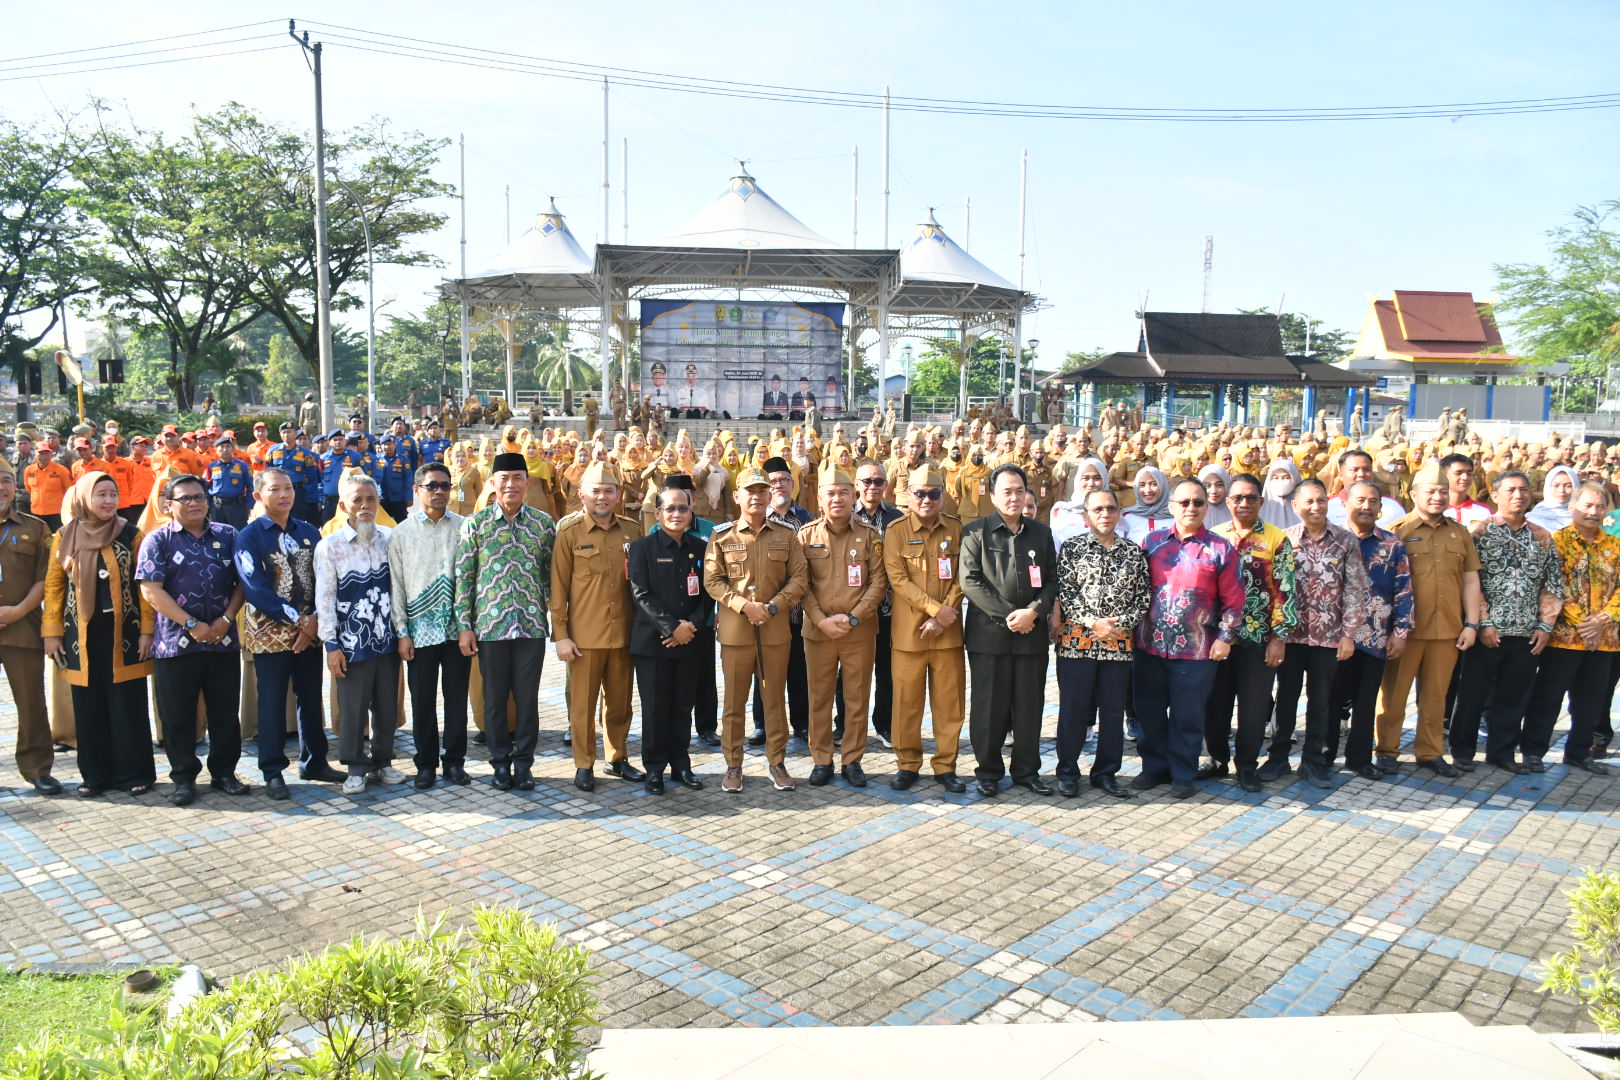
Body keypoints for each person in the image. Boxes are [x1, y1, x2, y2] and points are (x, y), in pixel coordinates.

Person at [135, 474, 248, 806]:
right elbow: (150, 590)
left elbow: (245, 580)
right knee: (178, 716)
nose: (196, 502)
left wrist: (226, 619)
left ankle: (224, 773)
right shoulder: (158, 541)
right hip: (176, 645)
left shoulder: (228, 535)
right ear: (168, 504)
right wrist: (191, 623)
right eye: (185, 498)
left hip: (222, 642)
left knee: (225, 713)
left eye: (200, 496)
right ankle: (183, 778)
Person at [42, 472, 156, 797]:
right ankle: (95, 776)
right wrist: (51, 632)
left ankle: (135, 773)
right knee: (88, 707)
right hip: (80, 635)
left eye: (113, 494)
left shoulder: (132, 535)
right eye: (100, 494)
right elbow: (54, 586)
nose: (108, 501)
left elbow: (144, 585)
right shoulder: (64, 537)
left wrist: (148, 630)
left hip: (126, 633)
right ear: (83, 498)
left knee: (128, 705)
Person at [1133, 477, 1244, 798]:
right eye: (1184, 502)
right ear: (1172, 507)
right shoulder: (1151, 542)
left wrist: (1226, 637)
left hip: (1196, 650)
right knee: (1149, 711)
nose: (1191, 508)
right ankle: (1154, 767)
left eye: (1198, 502)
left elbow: (1235, 600)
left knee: (1188, 715)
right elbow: (1135, 590)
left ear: (1207, 507)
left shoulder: (1221, 548)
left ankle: (1183, 772)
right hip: (1149, 645)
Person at [235, 467, 342, 799]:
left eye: (288, 488)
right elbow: (256, 589)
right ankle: (272, 770)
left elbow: (327, 579)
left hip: (308, 633)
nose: (284, 495)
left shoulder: (309, 531)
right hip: (270, 635)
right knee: (272, 702)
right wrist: (302, 623)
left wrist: (313, 627)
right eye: (275, 489)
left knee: (311, 698)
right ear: (258, 496)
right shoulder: (250, 536)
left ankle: (315, 762)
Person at [454, 452, 556, 792]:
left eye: (517, 478)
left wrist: (559, 619)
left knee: (527, 699)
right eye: (504, 478)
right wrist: (464, 626)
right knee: (494, 699)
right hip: (490, 627)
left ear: (527, 483)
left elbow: (550, 577)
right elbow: (464, 578)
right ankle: (500, 763)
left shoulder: (543, 525)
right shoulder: (477, 524)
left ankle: (524, 764)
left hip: (531, 626)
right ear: (493, 483)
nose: (511, 484)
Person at [703, 467, 808, 793]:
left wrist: (774, 606)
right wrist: (743, 605)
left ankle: (777, 762)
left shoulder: (785, 535)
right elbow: (712, 580)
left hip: (775, 631)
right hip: (736, 633)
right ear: (737, 496)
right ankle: (733, 765)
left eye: (762, 490)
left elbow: (800, 579)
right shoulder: (722, 537)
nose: (757, 496)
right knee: (734, 703)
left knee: (775, 701)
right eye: (750, 490)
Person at [1448, 471, 1561, 774]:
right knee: (1472, 694)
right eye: (1510, 490)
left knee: (1514, 697)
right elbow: (1471, 581)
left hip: (1526, 633)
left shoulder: (1541, 536)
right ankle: (1462, 750)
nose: (1518, 495)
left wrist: (1545, 625)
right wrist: (1482, 622)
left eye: (1524, 490)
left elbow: (1552, 583)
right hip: (1487, 631)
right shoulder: (1480, 533)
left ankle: (1502, 753)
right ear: (1495, 495)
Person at [1374, 463, 1482, 777]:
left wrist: (1471, 624)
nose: (1438, 497)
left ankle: (1430, 752)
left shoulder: (1459, 532)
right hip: (1405, 631)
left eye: (1443, 491)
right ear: (1413, 493)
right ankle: (1386, 750)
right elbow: (1383, 584)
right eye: (1431, 491)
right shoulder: (1398, 530)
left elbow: (1470, 580)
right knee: (1394, 694)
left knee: (1436, 697)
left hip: (1447, 629)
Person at [960, 464, 1059, 796]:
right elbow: (970, 582)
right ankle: (988, 772)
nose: (1014, 497)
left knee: (1029, 705)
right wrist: (1011, 615)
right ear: (991, 494)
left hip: (1031, 634)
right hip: (989, 635)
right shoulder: (975, 532)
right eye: (1007, 491)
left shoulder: (1041, 533)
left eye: (1019, 490)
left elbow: (1051, 581)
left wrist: (1033, 612)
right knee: (989, 707)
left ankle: (1027, 771)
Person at [550, 461, 646, 791]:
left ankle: (617, 758)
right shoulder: (569, 531)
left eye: (609, 491)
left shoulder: (633, 530)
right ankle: (583, 763)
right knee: (582, 706)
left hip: (624, 634)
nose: (602, 497)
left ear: (619, 495)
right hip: (584, 637)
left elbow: (640, 585)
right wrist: (561, 636)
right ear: (582, 495)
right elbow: (558, 588)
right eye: (596, 491)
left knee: (620, 704)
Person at [1268, 479, 1369, 788]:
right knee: (1285, 698)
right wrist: (1277, 635)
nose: (1315, 507)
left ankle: (1314, 760)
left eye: (1321, 500)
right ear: (1295, 506)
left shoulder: (1345, 541)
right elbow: (1276, 591)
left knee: (1321, 701)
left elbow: (1355, 589)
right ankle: (1278, 758)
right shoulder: (1284, 540)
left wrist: (1349, 633)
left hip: (1329, 636)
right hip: (1292, 635)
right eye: (1308, 501)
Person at [1050, 487, 1149, 798]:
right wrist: (1093, 623)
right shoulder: (1071, 549)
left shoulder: (1134, 553)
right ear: (1086, 516)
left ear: (1118, 513)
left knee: (1111, 712)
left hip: (1118, 646)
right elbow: (1066, 593)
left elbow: (1144, 598)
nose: (1104, 514)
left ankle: (1105, 773)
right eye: (1097, 510)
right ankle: (1067, 771)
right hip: (1077, 642)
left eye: (1110, 509)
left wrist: (1118, 625)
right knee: (1073, 710)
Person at [1206, 473, 1296, 790]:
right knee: (1215, 706)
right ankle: (1217, 760)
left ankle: (1246, 766)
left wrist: (1279, 639)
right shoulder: (1214, 537)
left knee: (1254, 708)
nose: (1244, 503)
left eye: (1251, 498)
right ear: (1228, 501)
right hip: (1218, 639)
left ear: (1261, 501)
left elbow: (1286, 592)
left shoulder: (1276, 539)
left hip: (1259, 641)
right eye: (1238, 498)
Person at [797, 468, 886, 787]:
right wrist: (821, 619)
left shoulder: (870, 535)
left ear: (854, 496)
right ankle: (821, 759)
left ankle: (852, 759)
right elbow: (799, 583)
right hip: (818, 632)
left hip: (858, 632)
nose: (837, 499)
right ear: (819, 498)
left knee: (857, 697)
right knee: (818, 697)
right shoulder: (806, 535)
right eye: (830, 493)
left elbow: (878, 582)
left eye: (843, 493)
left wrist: (854, 617)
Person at [1522, 482, 1619, 775]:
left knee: (1592, 699)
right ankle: (1533, 751)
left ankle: (1579, 752)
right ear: (1573, 507)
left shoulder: (1614, 545)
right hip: (1564, 638)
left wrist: (1601, 620)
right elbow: (1554, 586)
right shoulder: (1557, 542)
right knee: (1548, 697)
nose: (1593, 512)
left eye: (1600, 506)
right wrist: (1583, 623)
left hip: (1605, 639)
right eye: (1587, 505)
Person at [881, 465, 968, 793]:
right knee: (906, 703)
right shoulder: (896, 531)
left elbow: (964, 574)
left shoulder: (957, 529)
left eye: (934, 493)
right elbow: (898, 579)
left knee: (950, 704)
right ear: (909, 495)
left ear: (943, 495)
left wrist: (945, 615)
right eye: (920, 493)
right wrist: (937, 611)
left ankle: (946, 765)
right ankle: (908, 763)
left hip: (947, 635)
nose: (927, 500)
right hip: (910, 635)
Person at [315, 474, 403, 795]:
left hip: (388, 640)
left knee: (386, 706)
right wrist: (331, 645)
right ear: (343, 505)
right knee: (352, 709)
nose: (365, 506)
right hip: (351, 644)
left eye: (371, 499)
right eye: (357, 500)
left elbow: (401, 590)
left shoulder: (392, 539)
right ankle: (355, 767)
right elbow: (324, 599)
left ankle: (383, 763)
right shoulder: (330, 547)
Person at [388, 462, 472, 789]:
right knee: (422, 701)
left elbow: (471, 580)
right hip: (419, 633)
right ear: (417, 490)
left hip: (456, 630)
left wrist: (468, 626)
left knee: (455, 699)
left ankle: (454, 762)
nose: (439, 492)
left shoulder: (465, 527)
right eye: (432, 486)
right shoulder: (401, 534)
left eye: (444, 486)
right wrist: (402, 632)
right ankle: (425, 764)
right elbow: (396, 585)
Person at [627, 482, 712, 793]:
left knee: (682, 706)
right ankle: (654, 768)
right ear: (658, 513)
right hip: (653, 644)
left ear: (691, 513)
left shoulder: (701, 549)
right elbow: (641, 593)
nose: (677, 513)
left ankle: (681, 765)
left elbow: (708, 594)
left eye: (683, 508)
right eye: (670, 508)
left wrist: (689, 627)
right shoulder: (641, 548)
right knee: (655, 708)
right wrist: (670, 628)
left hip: (690, 641)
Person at [1329, 481, 1414, 780]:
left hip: (1375, 636)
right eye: (1360, 500)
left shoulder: (1393, 545)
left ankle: (1359, 759)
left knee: (1366, 702)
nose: (1366, 506)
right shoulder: (1333, 540)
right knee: (1330, 699)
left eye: (1373, 501)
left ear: (1381, 507)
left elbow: (1404, 592)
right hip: (1334, 636)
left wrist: (1400, 632)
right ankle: (1323, 757)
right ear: (1345, 504)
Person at [0, 460, 58, 794]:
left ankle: (37, 769)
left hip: (22, 626)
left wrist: (18, 610)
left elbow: (45, 577)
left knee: (31, 702)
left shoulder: (35, 528)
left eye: (7, 481)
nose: (2, 488)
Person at [853, 462, 903, 748]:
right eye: (867, 481)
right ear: (857, 484)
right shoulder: (845, 515)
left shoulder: (897, 518)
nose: (873, 487)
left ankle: (884, 724)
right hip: (854, 609)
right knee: (850, 672)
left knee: (887, 670)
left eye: (879, 482)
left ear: (886, 485)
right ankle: (845, 724)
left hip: (888, 609)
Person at [1326, 450, 1406, 530]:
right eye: (1354, 470)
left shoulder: (1392, 506)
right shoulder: (1327, 507)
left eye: (1367, 470)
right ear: (1341, 475)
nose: (1361, 475)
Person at [205, 435, 252, 529]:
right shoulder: (211, 467)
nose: (225, 449)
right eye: (222, 447)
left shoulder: (242, 466)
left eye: (228, 446)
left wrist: (249, 505)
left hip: (236, 507)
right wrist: (207, 507)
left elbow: (251, 486)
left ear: (232, 449)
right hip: (217, 507)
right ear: (216, 450)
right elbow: (207, 487)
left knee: (238, 534)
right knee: (217, 535)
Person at [23, 444, 73, 531]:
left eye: (47, 453)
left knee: (57, 540)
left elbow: (69, 491)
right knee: (39, 539)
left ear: (51, 454)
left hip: (56, 514)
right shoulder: (29, 470)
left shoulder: (61, 470)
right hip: (36, 513)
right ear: (35, 454)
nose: (44, 456)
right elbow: (29, 489)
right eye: (41, 453)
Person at [1120, 466, 1170, 544]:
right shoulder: (1126, 517)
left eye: (1153, 484)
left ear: (1163, 486)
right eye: (1142, 485)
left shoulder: (1176, 516)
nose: (1148, 490)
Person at [1441, 453, 1492, 528]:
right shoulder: (1434, 511)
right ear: (1444, 475)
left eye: (1469, 473)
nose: (1465, 477)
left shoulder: (1485, 511)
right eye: (1458, 473)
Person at [1526, 465, 1579, 533]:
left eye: (1568, 486)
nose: (1561, 490)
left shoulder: (1584, 515)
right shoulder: (1535, 517)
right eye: (1556, 485)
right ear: (1548, 487)